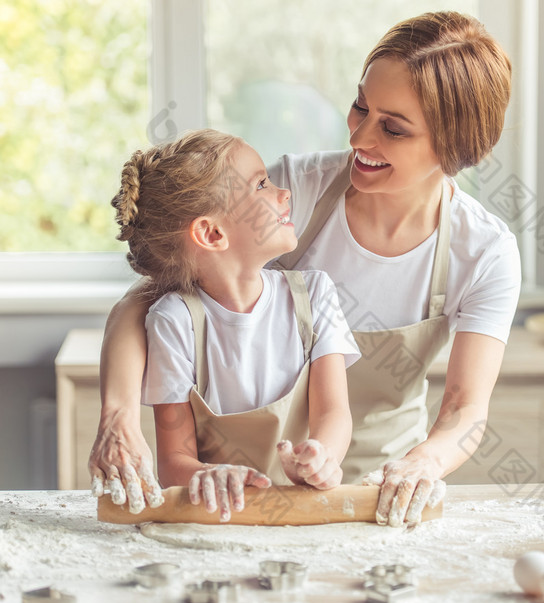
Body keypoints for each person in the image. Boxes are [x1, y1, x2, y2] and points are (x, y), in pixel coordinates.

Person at [90, 11, 521, 527]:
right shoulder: (300, 190)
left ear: (455, 147)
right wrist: (118, 413)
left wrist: (423, 463)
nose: (360, 138)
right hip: (263, 491)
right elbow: (150, 295)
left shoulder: (484, 253)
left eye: (393, 128)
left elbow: (464, 410)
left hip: (378, 494)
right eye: (360, 106)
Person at [100, 129, 359, 521]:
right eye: (261, 184)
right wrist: (208, 475)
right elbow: (174, 460)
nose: (283, 192)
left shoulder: (314, 295)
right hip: (220, 519)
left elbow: (334, 413)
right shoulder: (174, 321)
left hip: (306, 514)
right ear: (212, 233)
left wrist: (323, 455)